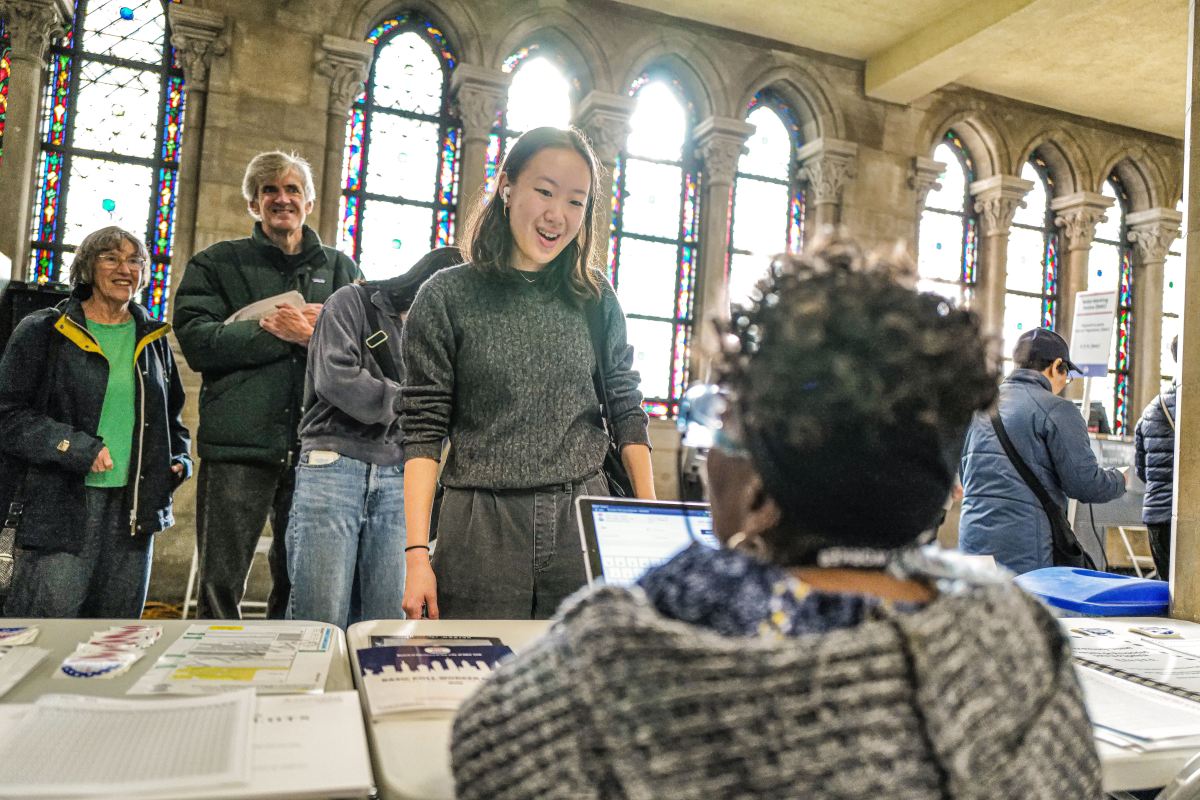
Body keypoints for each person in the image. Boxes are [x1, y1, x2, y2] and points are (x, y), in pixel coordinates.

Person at [449, 238, 1101, 799]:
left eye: (722, 431)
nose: (710, 459)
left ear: (761, 493)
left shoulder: (619, 655)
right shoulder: (1022, 640)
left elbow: (485, 749)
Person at [400, 126, 654, 621]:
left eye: (577, 201)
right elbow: (422, 429)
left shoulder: (595, 297)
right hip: (480, 525)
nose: (557, 214)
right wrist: (415, 555)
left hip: (582, 517)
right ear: (507, 186)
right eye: (544, 191)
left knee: (579, 680)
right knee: (476, 680)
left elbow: (626, 407)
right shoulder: (446, 296)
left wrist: (649, 527)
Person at [174, 151, 361, 620]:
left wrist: (311, 334)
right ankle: (211, 673)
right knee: (220, 582)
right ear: (254, 204)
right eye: (270, 191)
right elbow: (199, 342)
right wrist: (272, 331)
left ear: (309, 201)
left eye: (293, 189)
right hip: (240, 447)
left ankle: (288, 673)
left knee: (300, 581)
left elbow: (367, 350)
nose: (282, 199)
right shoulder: (217, 264)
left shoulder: (342, 272)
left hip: (319, 450)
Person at [0, 226, 191, 618]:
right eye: (111, 258)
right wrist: (73, 446)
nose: (126, 269)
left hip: (133, 514)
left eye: (136, 261)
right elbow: (8, 415)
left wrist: (179, 460)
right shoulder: (45, 330)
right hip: (62, 508)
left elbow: (173, 420)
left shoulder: (152, 338)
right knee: (46, 634)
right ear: (87, 266)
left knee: (113, 640)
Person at [286, 246, 465, 628]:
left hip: (400, 474)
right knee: (320, 617)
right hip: (333, 465)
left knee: (387, 622)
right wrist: (412, 403)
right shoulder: (352, 301)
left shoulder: (446, 335)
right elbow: (335, 377)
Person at [959, 327, 1126, 574]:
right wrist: (1119, 479)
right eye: (1066, 373)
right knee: (1029, 611)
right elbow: (1083, 483)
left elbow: (965, 474)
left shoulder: (978, 407)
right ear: (1057, 365)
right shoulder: (1058, 410)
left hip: (972, 539)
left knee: (980, 609)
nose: (1064, 382)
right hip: (1024, 544)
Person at [1135, 334, 1179, 580]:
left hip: (1158, 517)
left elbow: (1142, 471)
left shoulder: (1152, 409)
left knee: (1171, 595)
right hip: (1192, 519)